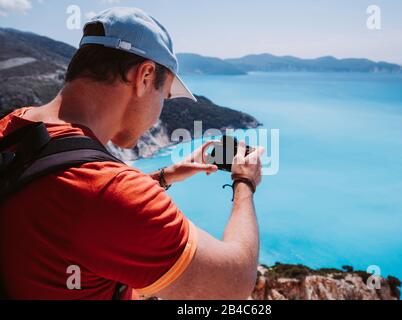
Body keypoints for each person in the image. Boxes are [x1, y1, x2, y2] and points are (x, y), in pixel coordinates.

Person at [0, 7, 263, 300]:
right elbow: (233, 284)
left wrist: (165, 176)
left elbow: (75, 199)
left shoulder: (13, 127)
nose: (159, 112)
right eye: (164, 97)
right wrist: (245, 184)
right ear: (145, 76)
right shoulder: (110, 193)